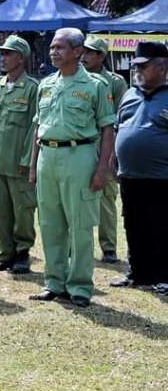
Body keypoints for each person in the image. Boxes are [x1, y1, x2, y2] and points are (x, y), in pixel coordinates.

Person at [29, 28, 115, 308]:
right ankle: (54, 282)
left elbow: (107, 128)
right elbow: (37, 129)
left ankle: (79, 286)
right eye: (52, 47)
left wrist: (103, 168)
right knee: (50, 224)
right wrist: (33, 165)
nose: (54, 52)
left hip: (79, 155)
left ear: (78, 51)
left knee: (79, 225)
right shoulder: (46, 84)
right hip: (47, 157)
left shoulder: (96, 85)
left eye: (61, 48)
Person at [110, 41, 168, 291]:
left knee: (162, 226)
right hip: (130, 175)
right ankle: (138, 273)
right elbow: (117, 129)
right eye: (136, 66)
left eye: (144, 67)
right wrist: (112, 161)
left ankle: (164, 276)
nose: (137, 71)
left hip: (162, 177)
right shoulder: (130, 94)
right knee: (133, 224)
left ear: (163, 68)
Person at [0, 35, 38, 274]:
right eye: (1, 53)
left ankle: (23, 252)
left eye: (8, 53)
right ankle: (6, 253)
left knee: (23, 210)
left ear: (21, 58)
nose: (2, 58)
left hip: (19, 163)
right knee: (2, 210)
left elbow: (36, 127)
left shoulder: (33, 88)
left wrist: (27, 160)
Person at [82, 35, 129, 264]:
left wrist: (113, 155)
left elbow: (121, 117)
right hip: (82, 145)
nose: (85, 56)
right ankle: (78, 246)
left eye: (91, 52)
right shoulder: (77, 79)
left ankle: (109, 247)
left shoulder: (115, 82)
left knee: (107, 199)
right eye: (84, 51)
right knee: (79, 196)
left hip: (105, 143)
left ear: (101, 56)